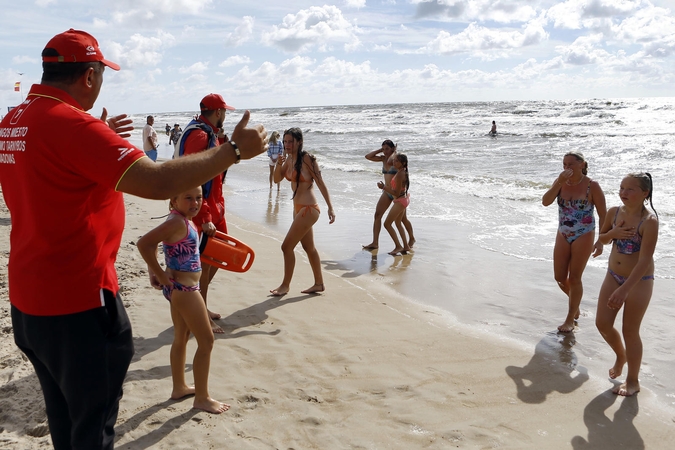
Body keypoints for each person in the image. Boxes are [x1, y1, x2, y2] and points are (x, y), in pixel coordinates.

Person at [0, 28, 266, 450]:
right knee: (92, 424)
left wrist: (93, 136)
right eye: (102, 74)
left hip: (28, 299)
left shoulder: (13, 121)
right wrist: (232, 150)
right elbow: (157, 182)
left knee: (64, 418)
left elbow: (48, 167)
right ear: (89, 77)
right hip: (78, 301)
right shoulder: (73, 126)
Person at [137, 186, 229, 414]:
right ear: (174, 200)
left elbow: (156, 244)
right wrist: (158, 274)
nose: (195, 203)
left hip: (178, 287)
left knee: (181, 336)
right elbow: (144, 244)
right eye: (188, 198)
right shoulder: (177, 222)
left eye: (198, 197)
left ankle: (179, 387)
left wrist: (157, 273)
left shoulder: (181, 219)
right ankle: (202, 398)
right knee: (206, 341)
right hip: (185, 289)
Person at [176, 93, 235, 334]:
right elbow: (195, 177)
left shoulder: (209, 133)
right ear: (218, 112)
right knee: (205, 264)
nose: (225, 116)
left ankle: (200, 305)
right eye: (225, 112)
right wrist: (206, 216)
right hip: (203, 210)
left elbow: (216, 170)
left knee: (222, 257)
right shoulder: (200, 135)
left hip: (215, 207)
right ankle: (198, 313)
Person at [595, 173, 658, 397]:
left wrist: (625, 289)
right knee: (602, 323)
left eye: (630, 189)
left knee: (630, 331)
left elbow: (644, 261)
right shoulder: (614, 212)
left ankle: (633, 380)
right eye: (622, 188)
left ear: (645, 193)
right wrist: (613, 233)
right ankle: (620, 355)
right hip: (614, 274)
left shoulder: (649, 222)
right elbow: (602, 239)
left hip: (639, 281)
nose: (624, 192)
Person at [542, 152, 606, 333]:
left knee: (575, 277)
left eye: (570, 164)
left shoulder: (592, 186)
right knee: (560, 277)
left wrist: (601, 240)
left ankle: (570, 319)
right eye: (564, 164)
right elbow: (545, 202)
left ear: (582, 164)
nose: (566, 168)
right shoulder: (560, 182)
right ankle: (575, 303)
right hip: (563, 232)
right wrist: (559, 182)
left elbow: (603, 214)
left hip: (584, 233)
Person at [270, 127, 335, 296]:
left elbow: (320, 182)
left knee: (286, 247)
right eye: (285, 141)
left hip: (309, 209)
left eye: (291, 141)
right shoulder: (288, 161)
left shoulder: (307, 159)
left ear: (299, 142)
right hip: (297, 209)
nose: (287, 144)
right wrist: (278, 164)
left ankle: (285, 285)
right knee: (309, 248)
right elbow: (276, 179)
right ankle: (319, 284)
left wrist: (330, 207)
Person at [362, 140, 415, 250]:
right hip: (386, 192)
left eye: (387, 149)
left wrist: (394, 152)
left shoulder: (395, 161)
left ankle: (411, 238)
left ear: (392, 148)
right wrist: (381, 150)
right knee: (377, 215)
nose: (385, 151)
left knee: (402, 220)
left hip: (397, 194)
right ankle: (375, 242)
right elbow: (368, 156)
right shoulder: (383, 159)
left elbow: (391, 161)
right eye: (383, 149)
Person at [378, 153, 411, 256]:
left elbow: (396, 193)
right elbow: (389, 161)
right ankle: (405, 246)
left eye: (397, 161)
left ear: (403, 163)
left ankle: (398, 246)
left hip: (400, 201)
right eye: (394, 160)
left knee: (387, 224)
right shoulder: (402, 171)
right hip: (403, 200)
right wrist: (393, 152)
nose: (394, 162)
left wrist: (384, 187)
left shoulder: (400, 174)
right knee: (398, 223)